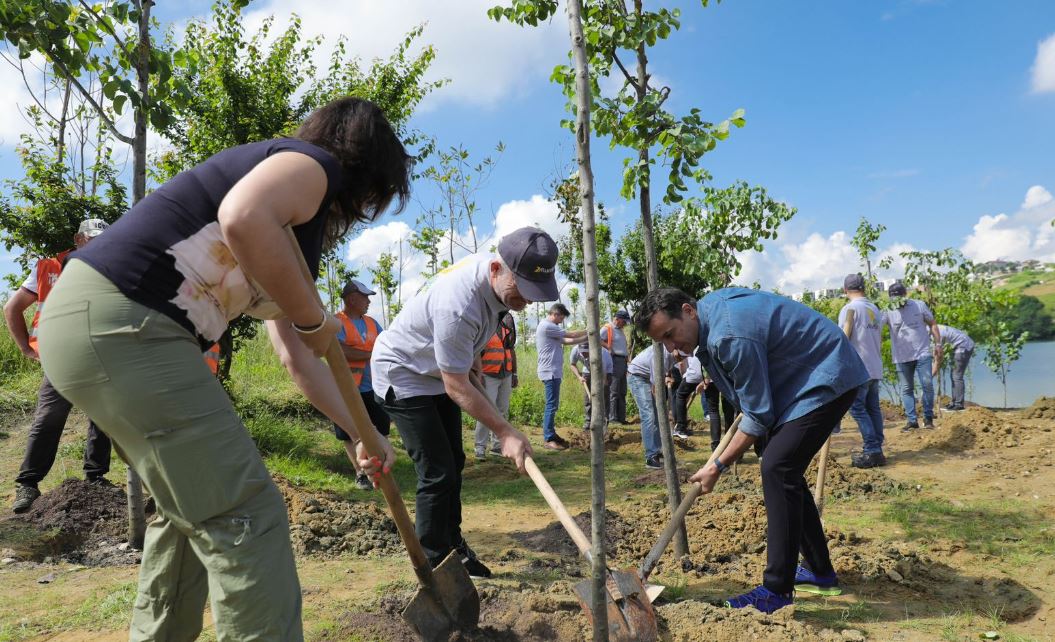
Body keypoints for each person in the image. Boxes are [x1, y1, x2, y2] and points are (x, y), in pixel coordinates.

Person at [36, 97, 407, 641]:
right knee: (246, 514)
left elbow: (299, 357)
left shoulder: (286, 240)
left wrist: (363, 433)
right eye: (374, 197)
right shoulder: (310, 165)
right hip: (126, 321)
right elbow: (242, 218)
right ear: (366, 173)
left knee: (190, 513)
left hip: (90, 325)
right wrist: (312, 317)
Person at [635, 287, 868, 614]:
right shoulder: (709, 318)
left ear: (688, 311)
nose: (672, 348)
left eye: (670, 335)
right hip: (799, 383)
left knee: (778, 466)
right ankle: (819, 572)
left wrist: (717, 464)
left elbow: (758, 414)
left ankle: (776, 591)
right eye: (662, 342)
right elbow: (753, 405)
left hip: (826, 375)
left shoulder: (728, 335)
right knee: (778, 462)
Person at [371, 226, 550, 579]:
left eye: (534, 292)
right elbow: (456, 386)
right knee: (437, 470)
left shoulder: (495, 285)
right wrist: (505, 432)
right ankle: (435, 561)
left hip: (435, 373)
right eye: (523, 290)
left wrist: (473, 357)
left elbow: (466, 348)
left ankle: (452, 543)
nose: (527, 301)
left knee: (455, 459)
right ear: (497, 269)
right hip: (404, 374)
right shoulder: (460, 301)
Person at [5, 219, 114, 513]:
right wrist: (26, 347)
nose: (100, 245)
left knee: (103, 418)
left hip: (100, 355)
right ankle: (28, 484)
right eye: (93, 239)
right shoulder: (48, 268)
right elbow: (12, 307)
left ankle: (96, 478)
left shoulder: (113, 269)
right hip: (61, 357)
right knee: (49, 418)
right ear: (79, 239)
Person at [334, 279, 392, 490]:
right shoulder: (336, 322)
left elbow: (385, 345)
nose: (368, 301)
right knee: (349, 433)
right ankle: (361, 474)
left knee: (381, 428)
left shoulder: (372, 323)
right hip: (348, 388)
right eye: (365, 296)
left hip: (376, 386)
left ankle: (378, 468)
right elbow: (339, 351)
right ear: (351, 298)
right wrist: (371, 355)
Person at [839, 274, 887, 468]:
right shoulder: (873, 308)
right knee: (873, 408)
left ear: (845, 290)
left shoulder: (850, 309)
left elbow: (844, 338)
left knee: (857, 409)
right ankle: (877, 447)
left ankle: (872, 449)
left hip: (859, 368)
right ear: (864, 288)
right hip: (875, 366)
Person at [884, 281, 940, 431]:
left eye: (899, 297)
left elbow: (933, 324)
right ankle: (912, 421)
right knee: (907, 388)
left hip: (922, 353)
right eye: (893, 299)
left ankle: (928, 419)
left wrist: (938, 345)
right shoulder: (887, 311)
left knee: (927, 384)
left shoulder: (919, 305)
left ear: (905, 295)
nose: (897, 302)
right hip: (901, 357)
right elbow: (876, 328)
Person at [535, 302, 587, 450]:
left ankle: (551, 434)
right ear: (555, 314)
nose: (561, 322)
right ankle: (548, 438)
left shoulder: (552, 329)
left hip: (553, 372)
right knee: (551, 406)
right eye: (561, 318)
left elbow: (567, 341)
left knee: (553, 405)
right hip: (549, 372)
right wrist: (589, 330)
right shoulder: (547, 326)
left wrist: (586, 338)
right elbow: (571, 334)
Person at [474, 311, 518, 459]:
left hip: (506, 374)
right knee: (485, 411)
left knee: (502, 410)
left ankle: (497, 446)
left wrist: (515, 373)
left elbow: (511, 352)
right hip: (488, 375)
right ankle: (480, 447)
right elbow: (476, 353)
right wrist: (479, 374)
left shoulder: (508, 332)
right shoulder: (486, 330)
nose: (509, 320)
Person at [626, 343, 675, 469]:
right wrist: (665, 408)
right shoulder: (660, 355)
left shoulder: (677, 352)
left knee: (657, 414)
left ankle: (658, 451)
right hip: (637, 377)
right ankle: (651, 456)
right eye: (679, 356)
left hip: (647, 377)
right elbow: (655, 387)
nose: (680, 359)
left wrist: (669, 376)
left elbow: (670, 371)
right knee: (649, 415)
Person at [569, 341, 613, 433]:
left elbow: (603, 375)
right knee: (587, 398)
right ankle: (588, 422)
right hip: (587, 369)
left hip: (605, 371)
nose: (585, 355)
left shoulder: (600, 353)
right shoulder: (576, 350)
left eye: (587, 353)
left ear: (591, 350)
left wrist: (602, 387)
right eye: (583, 353)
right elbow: (572, 364)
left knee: (604, 396)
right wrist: (579, 377)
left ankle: (604, 422)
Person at [934, 323, 975, 411]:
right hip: (958, 346)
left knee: (957, 375)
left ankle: (958, 404)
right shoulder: (931, 328)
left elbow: (938, 357)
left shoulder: (935, 333)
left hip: (963, 345)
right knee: (953, 375)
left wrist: (931, 374)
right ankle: (954, 402)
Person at [601, 309, 632, 423]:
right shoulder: (607, 328)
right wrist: (608, 347)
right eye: (624, 321)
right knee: (614, 390)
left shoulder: (620, 330)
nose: (624, 324)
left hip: (623, 361)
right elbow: (597, 339)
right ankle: (613, 417)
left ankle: (621, 418)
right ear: (617, 319)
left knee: (622, 390)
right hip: (614, 360)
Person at [671, 352, 703, 440]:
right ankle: (682, 426)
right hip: (706, 375)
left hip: (692, 374)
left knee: (679, 395)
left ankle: (680, 427)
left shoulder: (687, 343)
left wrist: (684, 377)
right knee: (713, 409)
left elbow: (681, 363)